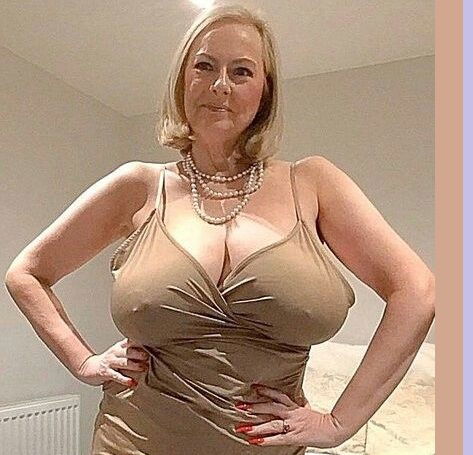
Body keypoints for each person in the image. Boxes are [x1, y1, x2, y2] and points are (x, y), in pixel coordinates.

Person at [4, 4, 435, 455]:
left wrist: (339, 423)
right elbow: (26, 273)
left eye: (242, 71)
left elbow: (416, 291)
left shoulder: (312, 183)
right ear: (182, 82)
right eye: (204, 66)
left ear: (265, 91)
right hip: (130, 442)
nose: (221, 85)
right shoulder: (139, 186)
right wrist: (84, 362)